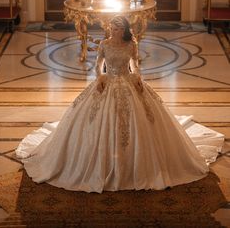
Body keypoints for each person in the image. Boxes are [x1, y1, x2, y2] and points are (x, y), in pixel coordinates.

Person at [16, 16, 224, 193]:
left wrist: (138, 79)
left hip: (127, 81)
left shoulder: (131, 45)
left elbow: (135, 66)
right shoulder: (104, 44)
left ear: (124, 30)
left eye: (118, 29)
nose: (114, 31)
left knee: (143, 119)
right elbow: (97, 67)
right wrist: (100, 79)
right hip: (107, 82)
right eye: (113, 28)